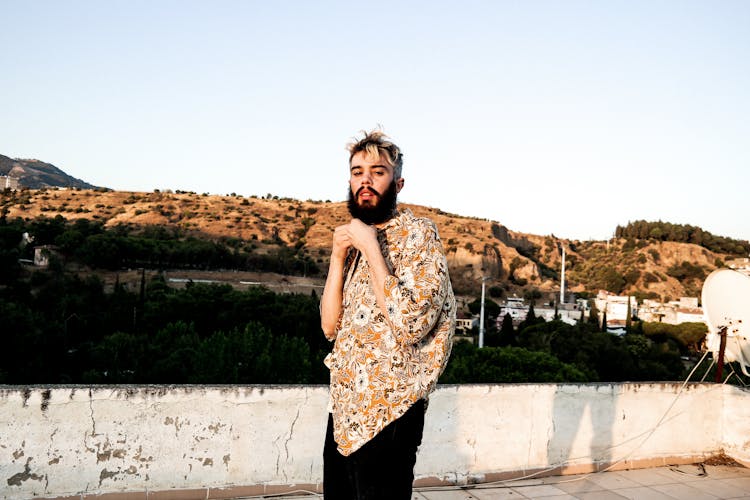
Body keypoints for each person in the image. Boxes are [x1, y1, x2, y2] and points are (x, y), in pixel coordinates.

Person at [320, 129, 456, 499]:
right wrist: (337, 257)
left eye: (377, 172)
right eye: (357, 171)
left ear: (398, 183)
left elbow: (412, 323)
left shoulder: (418, 235)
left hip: (391, 413)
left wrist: (372, 249)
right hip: (344, 411)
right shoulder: (351, 244)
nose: (365, 179)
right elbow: (329, 327)